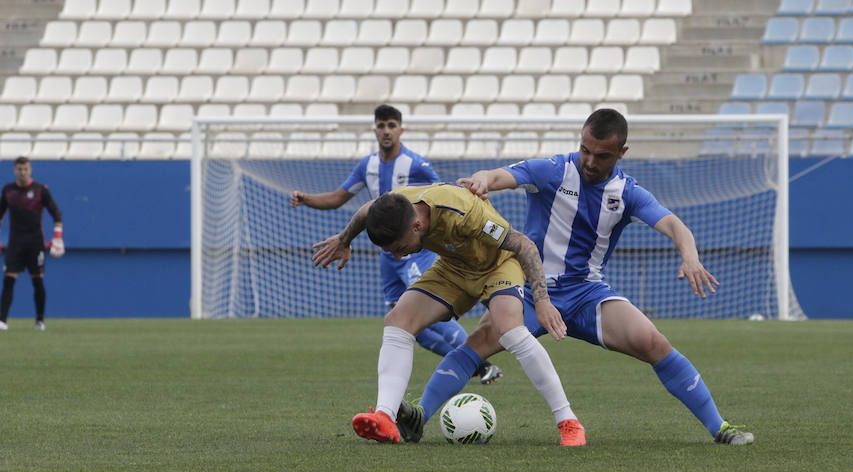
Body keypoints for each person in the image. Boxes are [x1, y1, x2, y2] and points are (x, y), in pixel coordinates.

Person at [403, 108, 754, 446]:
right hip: (529, 288)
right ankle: (419, 414)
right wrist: (483, 180)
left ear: (621, 152)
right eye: (585, 150)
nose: (589, 161)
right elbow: (500, 176)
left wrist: (689, 257)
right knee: (478, 343)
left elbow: (674, 225)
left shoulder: (627, 193)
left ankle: (719, 426)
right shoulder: (554, 169)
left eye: (601, 155)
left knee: (654, 343)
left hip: (587, 293)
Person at [312, 182, 586, 446]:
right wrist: (344, 239)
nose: (397, 257)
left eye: (399, 248)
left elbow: (523, 245)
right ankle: (385, 417)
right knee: (398, 321)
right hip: (453, 269)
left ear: (416, 224)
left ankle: (568, 421)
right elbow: (365, 211)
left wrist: (542, 301)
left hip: (497, 266)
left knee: (509, 329)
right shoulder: (399, 203)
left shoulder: (464, 214)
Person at [290, 104, 501, 385]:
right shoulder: (368, 166)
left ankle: (480, 360)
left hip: (416, 250)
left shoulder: (416, 164)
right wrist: (307, 199)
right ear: (375, 129)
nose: (386, 131)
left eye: (391, 125)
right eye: (381, 125)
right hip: (388, 255)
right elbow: (338, 198)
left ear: (401, 129)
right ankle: (477, 366)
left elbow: (444, 196)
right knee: (405, 324)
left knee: (429, 309)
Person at [0, 156, 65, 331]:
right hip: (15, 243)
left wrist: (57, 237)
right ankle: (2, 321)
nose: (22, 172)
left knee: (37, 281)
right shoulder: (8, 190)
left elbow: (56, 214)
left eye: (25, 169)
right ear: (14, 170)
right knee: (8, 280)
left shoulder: (40, 190)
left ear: (30, 170)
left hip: (35, 243)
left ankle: (40, 321)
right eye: (19, 169)